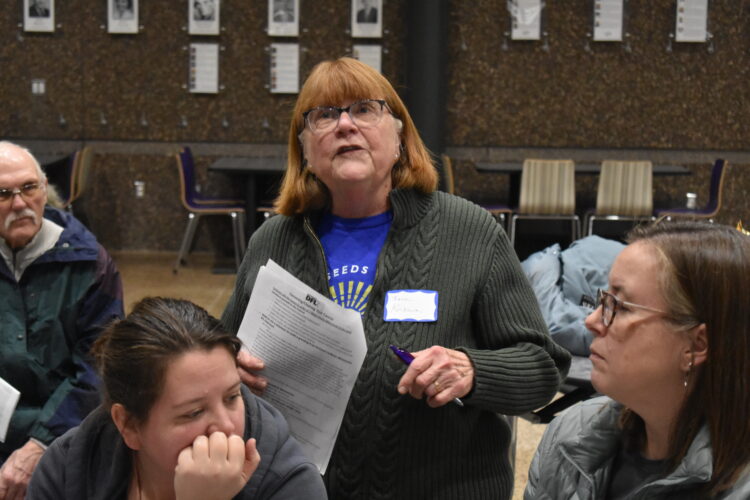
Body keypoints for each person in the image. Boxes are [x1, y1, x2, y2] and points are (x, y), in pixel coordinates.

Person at [222, 57, 571, 499]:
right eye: (324, 115)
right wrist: (229, 367)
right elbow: (219, 353)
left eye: (365, 109)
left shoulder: (468, 231)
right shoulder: (274, 240)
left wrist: (472, 370)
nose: (345, 125)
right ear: (305, 151)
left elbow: (542, 368)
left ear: (400, 137)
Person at [525, 222, 750, 499]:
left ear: (695, 345)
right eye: (604, 300)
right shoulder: (569, 434)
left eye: (620, 307)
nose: (591, 320)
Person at [27, 297, 328, 499]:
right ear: (128, 424)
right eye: (194, 412)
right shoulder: (66, 470)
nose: (227, 426)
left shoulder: (289, 484)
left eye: (232, 397)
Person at [0, 142, 123, 500]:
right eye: (3, 194)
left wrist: (40, 445)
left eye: (29, 187)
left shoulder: (90, 263)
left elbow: (99, 370)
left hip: (66, 430)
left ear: (44, 189)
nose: (20, 203)